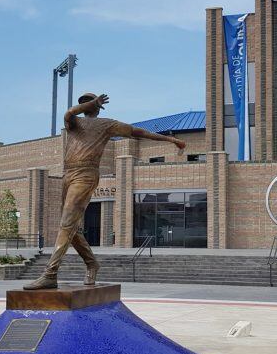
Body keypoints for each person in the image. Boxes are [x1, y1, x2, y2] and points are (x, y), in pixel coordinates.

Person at [24, 92, 186, 290]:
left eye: (89, 102)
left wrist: (170, 140)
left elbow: (137, 132)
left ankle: (50, 274)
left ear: (98, 107)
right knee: (70, 228)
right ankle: (92, 263)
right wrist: (92, 103)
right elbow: (69, 113)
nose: (85, 105)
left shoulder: (107, 124)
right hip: (68, 174)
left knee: (66, 223)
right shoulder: (74, 123)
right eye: (84, 103)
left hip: (86, 174)